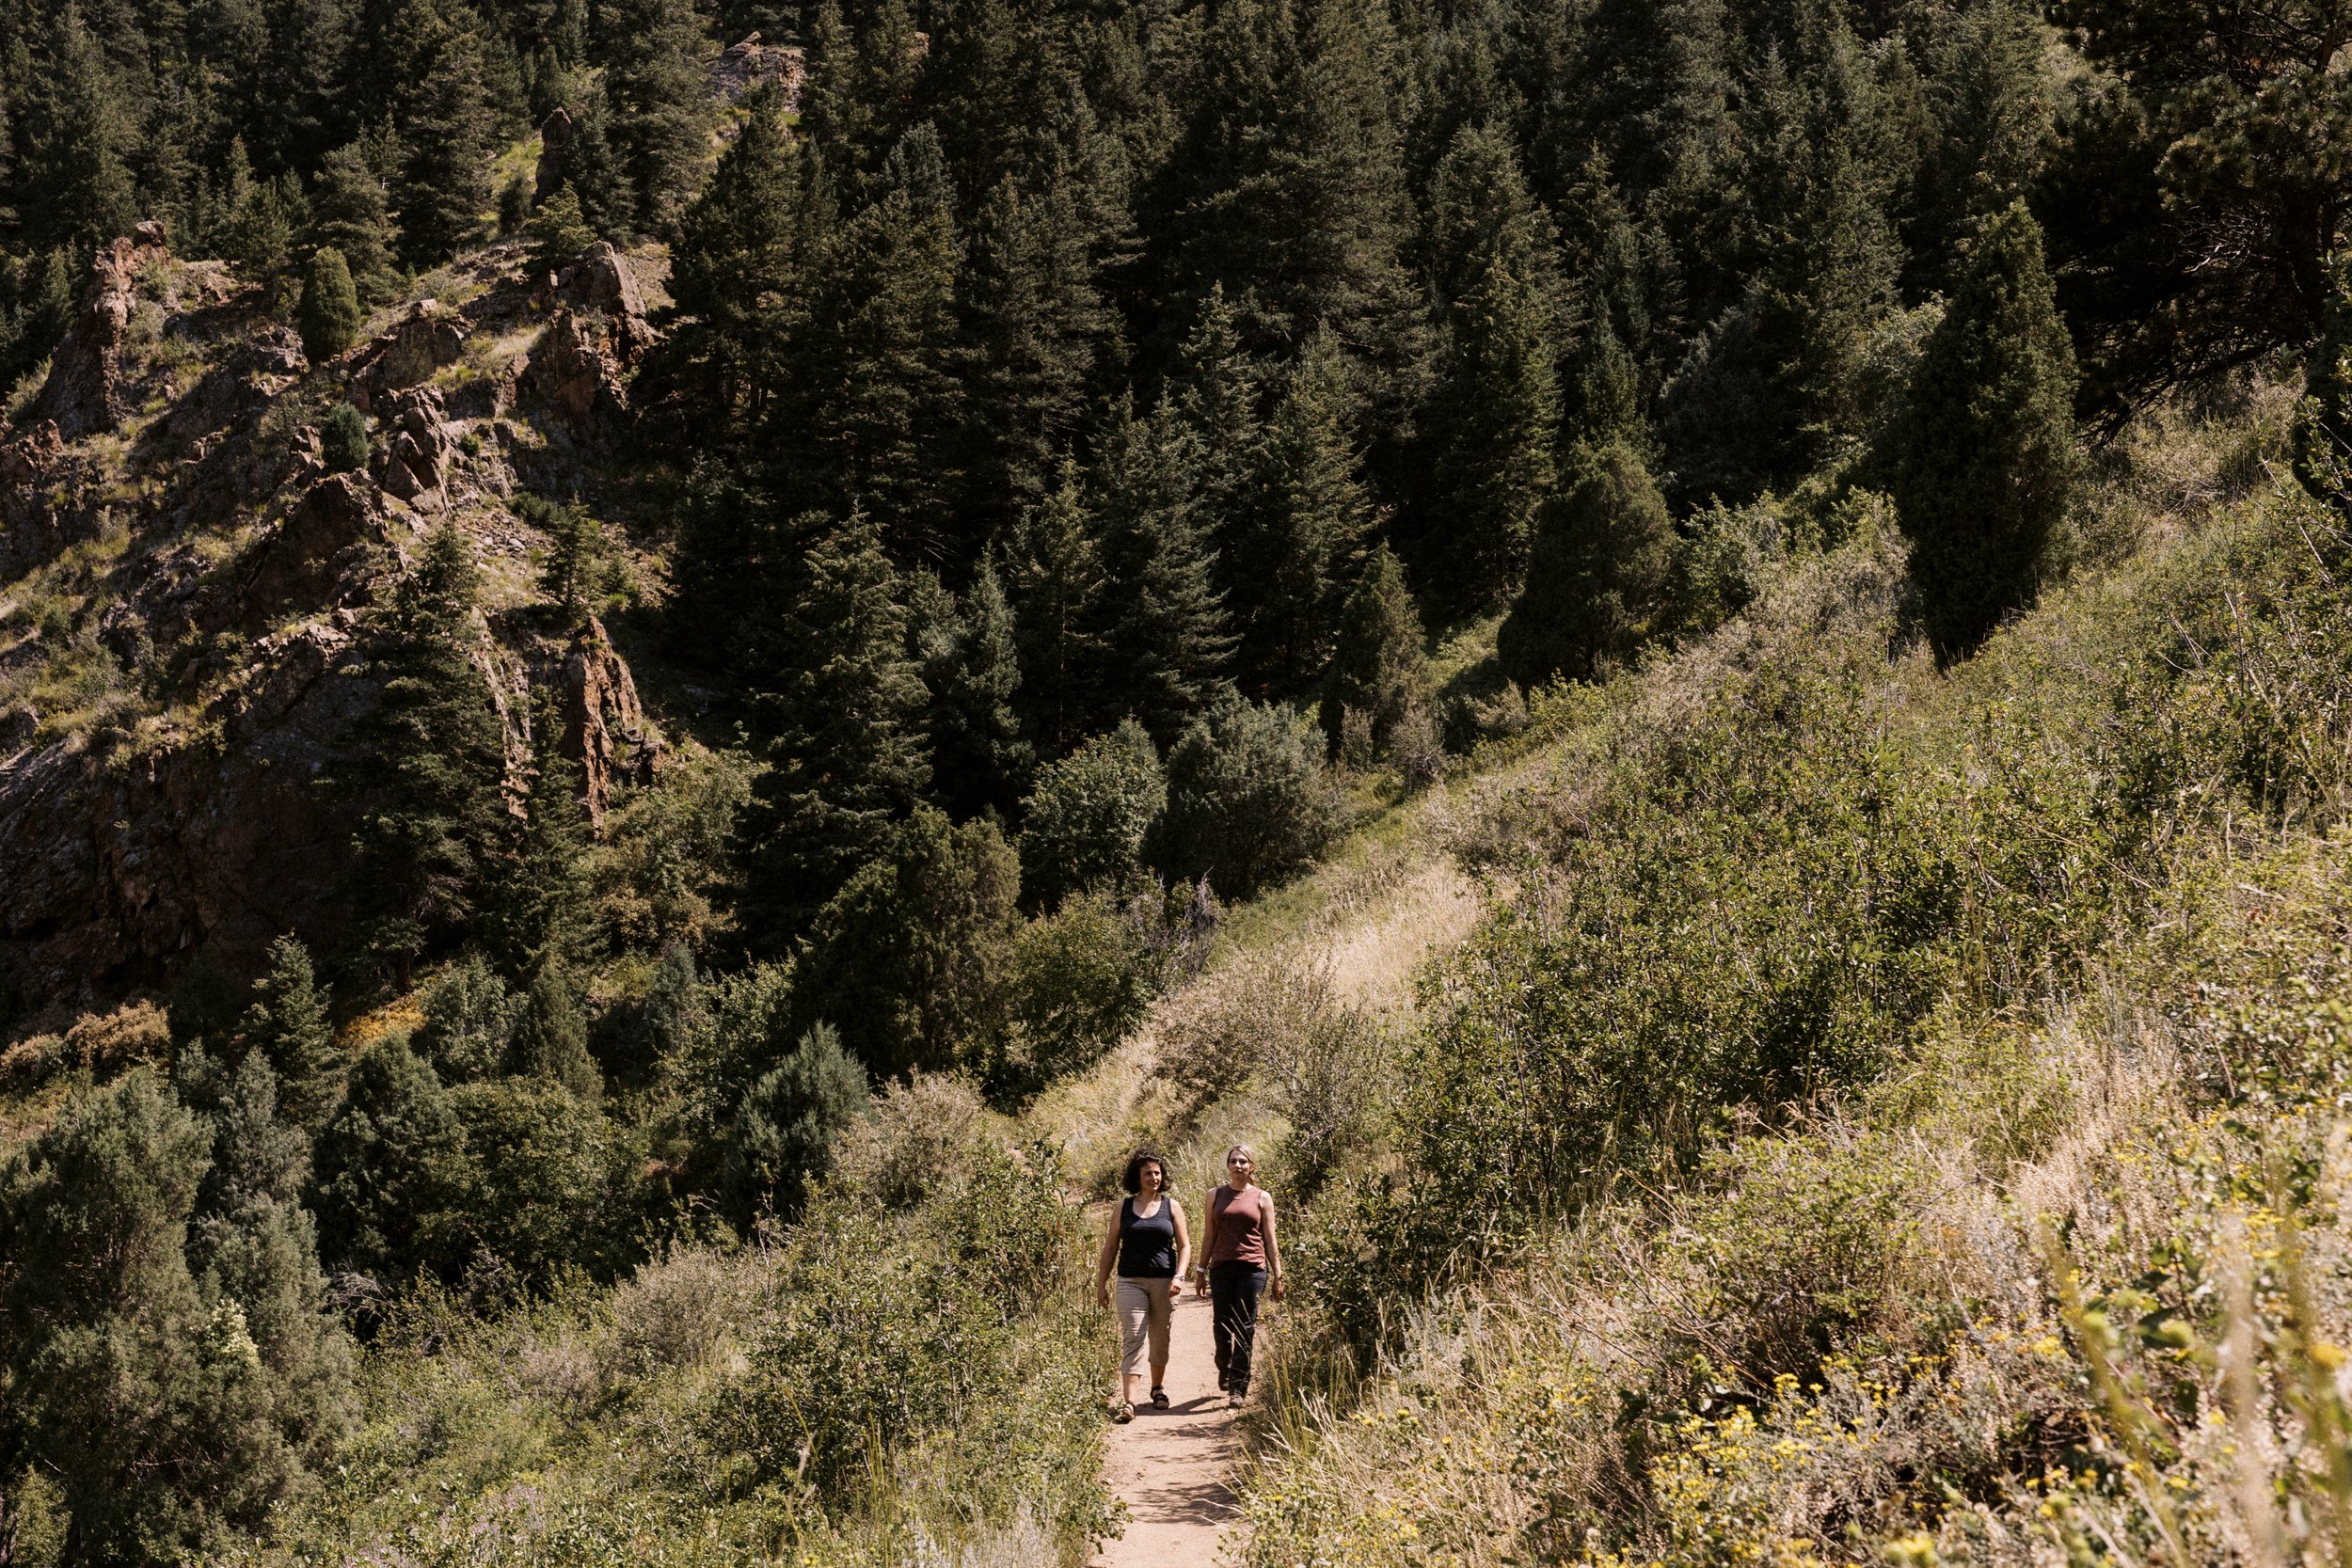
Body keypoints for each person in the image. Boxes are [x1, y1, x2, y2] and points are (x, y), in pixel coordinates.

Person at [1093, 1148, 1191, 1422]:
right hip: (1130, 1281)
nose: (1154, 1177)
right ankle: (1129, 1402)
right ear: (1137, 1177)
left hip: (1165, 1282)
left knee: (1160, 1338)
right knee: (1133, 1336)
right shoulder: (1123, 1207)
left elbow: (1185, 1246)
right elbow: (1111, 1246)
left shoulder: (1171, 1206)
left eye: (1157, 1173)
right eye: (1148, 1173)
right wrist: (1101, 1284)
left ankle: (1157, 1389)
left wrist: (1179, 1276)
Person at [1193, 1144, 1281, 1408]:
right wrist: (1200, 1270)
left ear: (1251, 1166)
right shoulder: (1215, 1195)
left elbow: (1270, 1239)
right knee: (1221, 1324)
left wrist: (1278, 1275)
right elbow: (1209, 1235)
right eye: (1233, 1161)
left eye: (1243, 1161)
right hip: (1221, 1268)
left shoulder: (1262, 1198)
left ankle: (1238, 1387)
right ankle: (1225, 1365)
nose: (1238, 1165)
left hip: (1252, 1269)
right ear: (1228, 1166)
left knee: (1245, 1327)